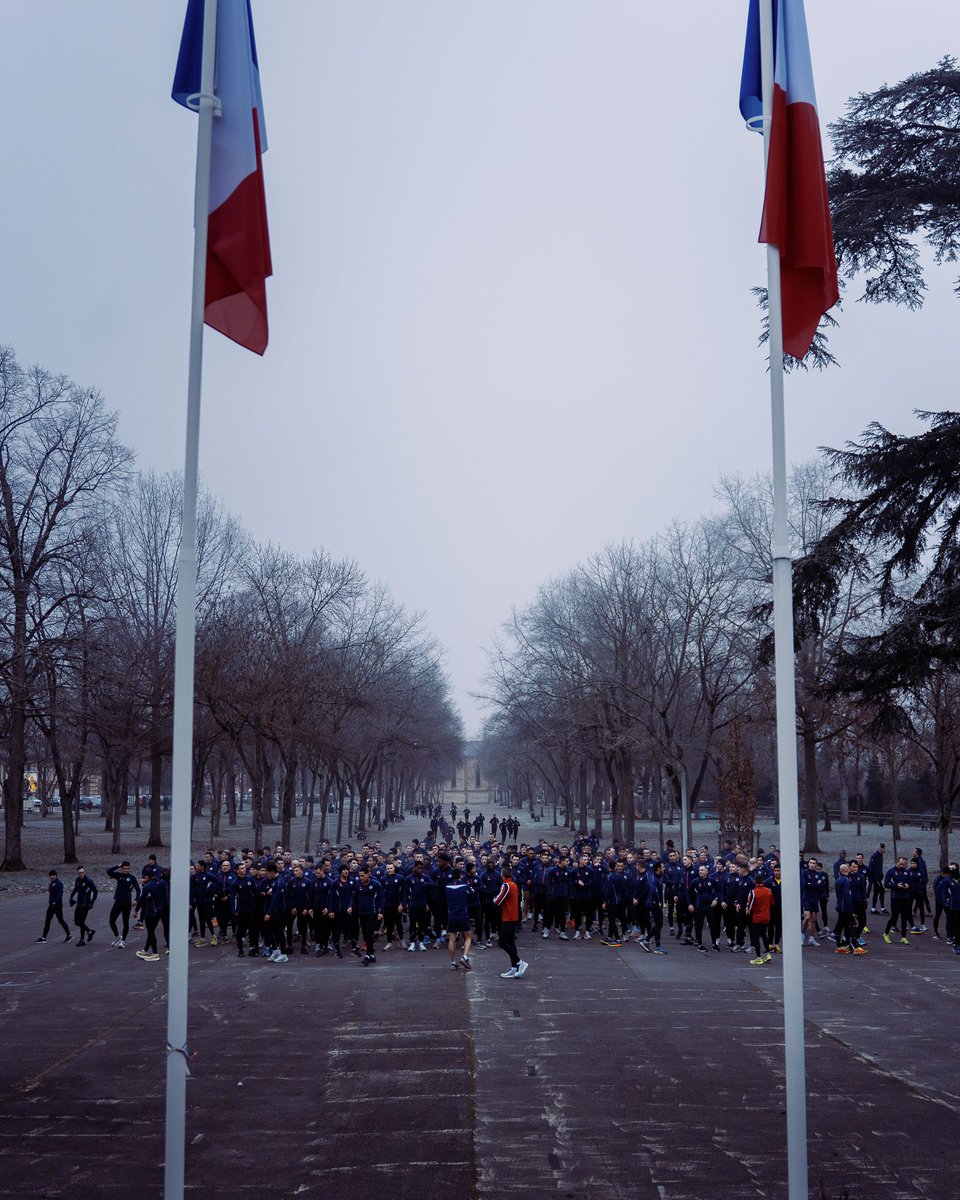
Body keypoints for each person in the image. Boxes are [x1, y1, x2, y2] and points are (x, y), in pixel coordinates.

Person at [493, 864, 527, 978]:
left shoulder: (506, 885)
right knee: (511, 942)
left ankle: (519, 962)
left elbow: (498, 900)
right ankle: (514, 967)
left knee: (502, 942)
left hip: (508, 917)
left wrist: (494, 899)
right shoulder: (513, 884)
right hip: (512, 916)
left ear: (502, 875)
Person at [106, 861, 142, 949]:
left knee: (125, 922)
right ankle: (117, 937)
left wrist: (136, 899)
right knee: (111, 921)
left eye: (127, 868)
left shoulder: (132, 878)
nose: (126, 870)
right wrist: (118, 865)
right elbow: (109, 871)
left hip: (126, 902)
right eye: (124, 868)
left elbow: (138, 889)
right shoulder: (119, 875)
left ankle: (123, 941)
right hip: (118, 901)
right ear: (122, 868)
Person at [445, 867, 474, 970]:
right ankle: (464, 957)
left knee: (452, 939)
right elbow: (471, 893)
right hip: (462, 914)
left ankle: (452, 962)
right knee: (468, 936)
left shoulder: (447, 887)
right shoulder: (465, 886)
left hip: (452, 915)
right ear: (460, 875)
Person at [36, 869, 72, 943]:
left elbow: (59, 895)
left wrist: (54, 902)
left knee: (61, 920)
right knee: (47, 921)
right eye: (51, 875)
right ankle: (44, 938)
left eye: (53, 875)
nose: (52, 877)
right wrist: (51, 903)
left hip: (57, 905)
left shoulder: (59, 883)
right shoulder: (51, 884)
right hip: (51, 905)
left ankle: (69, 936)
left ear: (56, 875)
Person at [69, 866, 98, 945]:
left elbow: (95, 892)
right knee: (77, 922)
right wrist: (71, 897)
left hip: (85, 904)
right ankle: (89, 931)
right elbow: (75, 889)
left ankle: (82, 940)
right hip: (79, 903)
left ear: (84, 872)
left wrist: (92, 902)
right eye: (79, 873)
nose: (81, 874)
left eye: (82, 873)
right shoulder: (78, 880)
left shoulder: (88, 881)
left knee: (81, 921)